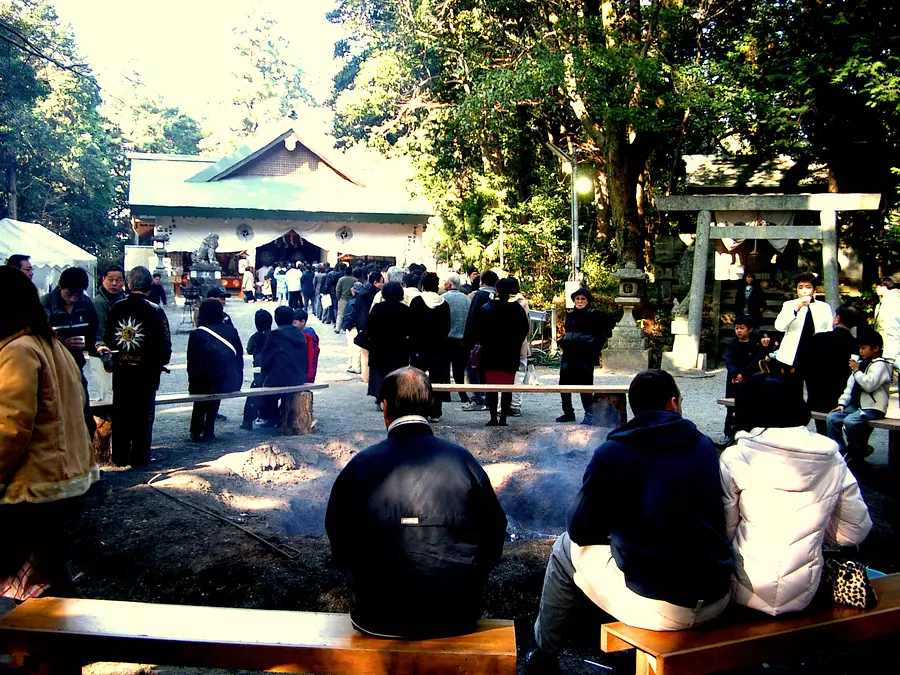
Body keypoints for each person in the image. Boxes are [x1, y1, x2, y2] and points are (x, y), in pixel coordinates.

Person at [526, 370, 733, 673]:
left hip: (661, 607)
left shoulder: (613, 452)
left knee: (564, 547)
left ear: (634, 407)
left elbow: (580, 529)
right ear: (673, 404)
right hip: (718, 597)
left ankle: (544, 656)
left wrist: (615, 528)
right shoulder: (703, 446)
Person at [325, 366, 507, 639]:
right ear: (431, 405)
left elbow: (338, 537)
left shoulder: (360, 465)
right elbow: (494, 532)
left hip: (375, 616)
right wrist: (468, 575)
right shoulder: (463, 462)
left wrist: (362, 577)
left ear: (385, 408)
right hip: (455, 614)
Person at [722, 377, 872, 615]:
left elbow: (725, 529)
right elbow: (853, 532)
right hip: (805, 590)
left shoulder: (736, 456)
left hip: (742, 586)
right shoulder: (832, 459)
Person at [0, 266, 99, 601]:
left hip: (34, 485)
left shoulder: (18, 351)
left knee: (43, 577)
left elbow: (9, 428)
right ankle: (60, 643)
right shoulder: (51, 343)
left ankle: (57, 644)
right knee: (48, 570)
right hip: (63, 479)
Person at [104, 266, 171, 467]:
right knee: (144, 414)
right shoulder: (156, 311)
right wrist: (160, 361)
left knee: (121, 412)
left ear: (128, 284)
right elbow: (165, 345)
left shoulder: (117, 308)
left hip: (122, 371)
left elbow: (108, 339)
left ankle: (119, 456)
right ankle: (140, 456)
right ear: (150, 287)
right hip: (147, 373)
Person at [41, 267, 101, 437]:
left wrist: (98, 345)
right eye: (70, 293)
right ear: (61, 287)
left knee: (84, 415)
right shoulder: (45, 304)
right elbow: (39, 337)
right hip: (52, 369)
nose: (74, 298)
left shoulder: (85, 303)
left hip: (75, 367)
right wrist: (63, 343)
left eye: (79, 293)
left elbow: (94, 331)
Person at [826, 330, 892, 466]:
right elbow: (849, 387)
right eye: (860, 348)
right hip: (857, 406)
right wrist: (842, 403)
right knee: (832, 418)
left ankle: (857, 450)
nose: (860, 351)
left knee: (850, 422)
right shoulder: (860, 364)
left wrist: (856, 371)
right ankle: (842, 451)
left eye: (864, 348)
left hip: (873, 408)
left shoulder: (880, 365)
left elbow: (869, 385)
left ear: (875, 349)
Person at [474, 277, 529, 426]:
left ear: (496, 290)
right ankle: (503, 418)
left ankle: (493, 417)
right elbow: (524, 330)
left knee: (491, 388)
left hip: (490, 354)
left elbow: (478, 332)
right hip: (510, 354)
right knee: (507, 388)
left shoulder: (486, 308)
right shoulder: (517, 309)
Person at [187, 299, 243, 442]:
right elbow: (239, 356)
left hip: (203, 383)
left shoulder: (197, 334)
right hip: (228, 382)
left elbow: (192, 364)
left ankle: (195, 429)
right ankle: (209, 428)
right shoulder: (231, 331)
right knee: (216, 383)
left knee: (201, 392)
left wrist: (192, 384)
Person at [773, 272, 834, 402]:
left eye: (808, 287)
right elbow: (779, 326)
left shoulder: (824, 307)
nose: (804, 291)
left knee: (817, 394)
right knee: (791, 394)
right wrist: (797, 308)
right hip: (792, 356)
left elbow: (829, 331)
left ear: (814, 289)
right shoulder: (789, 305)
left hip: (815, 355)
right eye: (800, 287)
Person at [556, 288, 607, 425]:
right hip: (569, 354)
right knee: (563, 384)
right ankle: (568, 413)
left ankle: (589, 414)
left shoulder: (595, 315)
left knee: (585, 386)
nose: (580, 301)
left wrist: (593, 349)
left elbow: (602, 335)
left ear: (588, 301)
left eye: (583, 299)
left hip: (586, 355)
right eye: (577, 299)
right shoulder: (570, 314)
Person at [809, 304, 861, 433]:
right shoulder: (856, 344)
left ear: (837, 319)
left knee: (822, 430)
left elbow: (806, 365)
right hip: (843, 396)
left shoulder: (818, 338)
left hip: (818, 394)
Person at [409, 272, 452, 421]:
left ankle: (418, 409)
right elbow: (447, 327)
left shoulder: (416, 302)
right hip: (438, 347)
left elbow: (411, 325)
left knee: (417, 379)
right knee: (437, 380)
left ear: (422, 286)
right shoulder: (444, 304)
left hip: (419, 347)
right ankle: (435, 412)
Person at [258, 306, 308, 426]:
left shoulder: (275, 335)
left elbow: (265, 359)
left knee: (263, 386)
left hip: (280, 378)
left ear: (276, 319)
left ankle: (272, 418)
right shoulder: (300, 334)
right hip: (299, 377)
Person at [365, 281, 411, 410]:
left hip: (379, 345)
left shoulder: (377, 308)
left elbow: (368, 326)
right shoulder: (405, 309)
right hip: (399, 347)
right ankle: (395, 397)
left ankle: (380, 398)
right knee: (397, 373)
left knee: (379, 372)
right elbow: (410, 329)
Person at [462, 270, 498, 412]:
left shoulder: (478, 296)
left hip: (478, 340)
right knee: (488, 371)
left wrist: (467, 341)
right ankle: (490, 400)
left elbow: (472, 319)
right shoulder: (497, 295)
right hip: (494, 341)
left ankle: (477, 399)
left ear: (482, 281)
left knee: (472, 369)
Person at [723, 316, 758, 442]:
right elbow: (729, 360)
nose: (739, 331)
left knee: (748, 406)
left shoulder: (754, 345)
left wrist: (744, 374)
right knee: (731, 407)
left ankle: (746, 431)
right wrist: (734, 374)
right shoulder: (731, 344)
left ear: (749, 330)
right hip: (734, 380)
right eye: (737, 328)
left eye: (742, 328)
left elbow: (754, 362)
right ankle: (729, 433)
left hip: (748, 379)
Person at [241, 309, 274, 431]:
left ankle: (248, 421)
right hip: (272, 369)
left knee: (254, 394)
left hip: (258, 369)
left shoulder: (255, 337)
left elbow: (249, 350)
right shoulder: (273, 335)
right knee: (271, 394)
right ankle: (270, 417)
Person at [443, 272, 472, 405]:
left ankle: (446, 394)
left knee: (445, 367)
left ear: (449, 284)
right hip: (463, 339)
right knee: (459, 369)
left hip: (447, 339)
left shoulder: (443, 298)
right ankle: (463, 394)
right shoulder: (466, 299)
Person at [94, 265, 126, 353]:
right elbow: (100, 331)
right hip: (103, 351)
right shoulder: (98, 302)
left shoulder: (124, 300)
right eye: (110, 280)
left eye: (118, 280)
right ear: (103, 279)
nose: (114, 283)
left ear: (123, 282)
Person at [874, 277, 900, 363]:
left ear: (884, 286)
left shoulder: (893, 301)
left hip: (891, 345)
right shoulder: (882, 302)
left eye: (877, 286)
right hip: (885, 345)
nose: (876, 289)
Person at [293, 309, 320, 384]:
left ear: (303, 322)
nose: (293, 325)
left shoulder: (308, 337)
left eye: (295, 323)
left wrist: (309, 376)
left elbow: (311, 357)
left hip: (306, 375)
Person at [343, 282, 364, 374]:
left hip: (353, 327)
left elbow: (349, 316)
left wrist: (346, 325)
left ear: (354, 292)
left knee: (353, 348)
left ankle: (356, 367)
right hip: (360, 326)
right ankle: (357, 365)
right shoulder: (365, 300)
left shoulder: (351, 302)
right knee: (359, 348)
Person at [335, 265, 356, 334]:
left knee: (340, 314)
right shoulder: (355, 280)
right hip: (352, 299)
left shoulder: (341, 279)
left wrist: (338, 298)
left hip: (343, 298)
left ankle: (338, 328)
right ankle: (348, 327)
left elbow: (338, 289)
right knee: (351, 314)